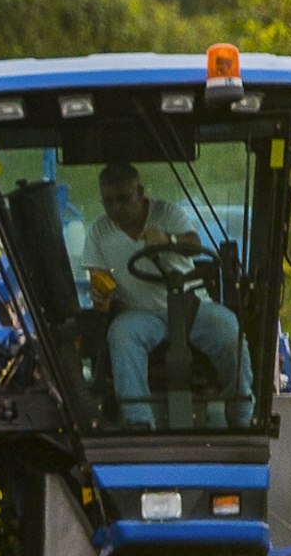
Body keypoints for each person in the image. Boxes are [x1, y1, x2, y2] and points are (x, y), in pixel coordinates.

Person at [84, 160, 247, 427]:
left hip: (191, 305)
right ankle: (139, 423)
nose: (115, 208)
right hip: (140, 313)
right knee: (121, 335)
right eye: (108, 201)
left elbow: (194, 245)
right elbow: (98, 278)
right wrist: (102, 295)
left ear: (140, 192)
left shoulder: (167, 214)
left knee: (229, 330)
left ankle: (241, 417)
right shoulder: (99, 232)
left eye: (123, 199)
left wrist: (168, 241)